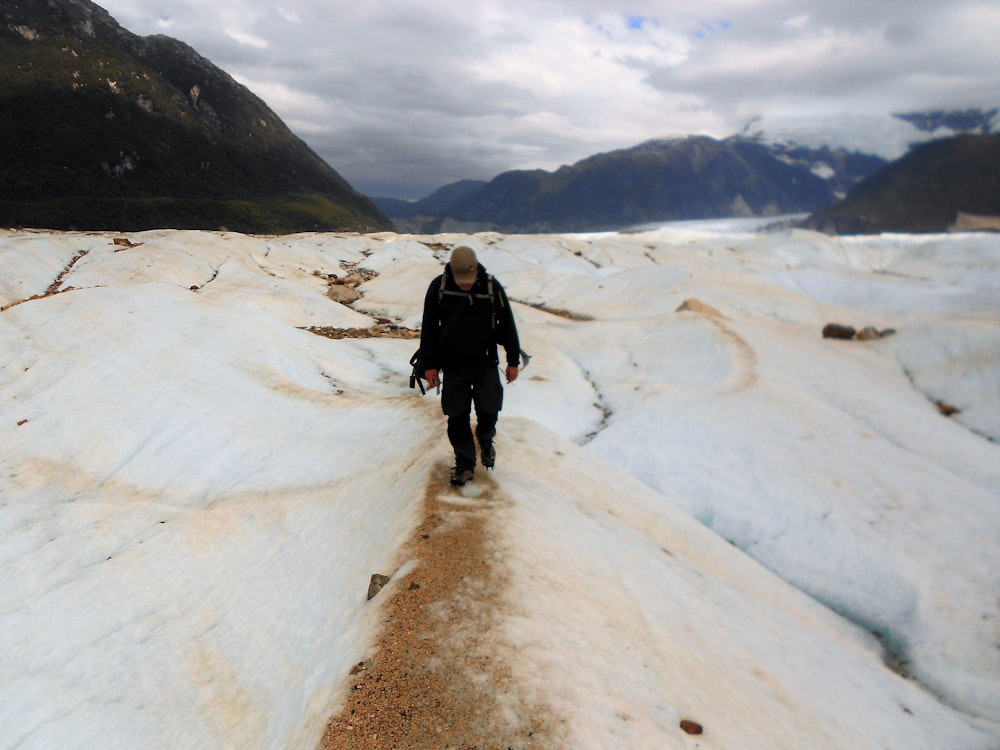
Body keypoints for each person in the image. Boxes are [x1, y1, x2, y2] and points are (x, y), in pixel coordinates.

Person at [420, 245, 521, 487]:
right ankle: (465, 463)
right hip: (454, 366)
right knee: (457, 417)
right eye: (461, 279)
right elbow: (429, 328)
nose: (466, 283)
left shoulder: (490, 287)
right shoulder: (439, 288)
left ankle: (485, 439)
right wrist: (429, 365)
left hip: (485, 363)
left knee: (489, 410)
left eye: (469, 279)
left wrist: (513, 360)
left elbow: (507, 323)